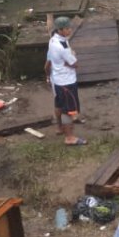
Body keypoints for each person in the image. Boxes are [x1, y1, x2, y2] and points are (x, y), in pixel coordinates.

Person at [44, 16, 85, 146]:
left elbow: (48, 62)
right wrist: (73, 54)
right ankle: (69, 137)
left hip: (56, 80)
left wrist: (47, 75)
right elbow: (75, 64)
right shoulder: (63, 47)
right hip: (66, 81)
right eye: (67, 28)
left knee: (59, 104)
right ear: (60, 30)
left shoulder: (53, 40)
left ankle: (59, 127)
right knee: (69, 110)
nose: (70, 30)